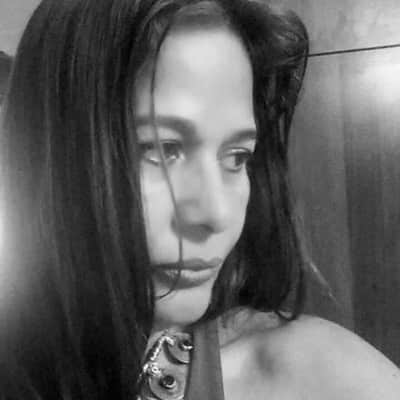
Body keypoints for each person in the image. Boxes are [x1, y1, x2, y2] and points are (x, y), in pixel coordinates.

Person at [0, 0, 399, 399]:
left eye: (237, 157)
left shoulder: (317, 375)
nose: (217, 213)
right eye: (161, 149)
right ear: (44, 156)